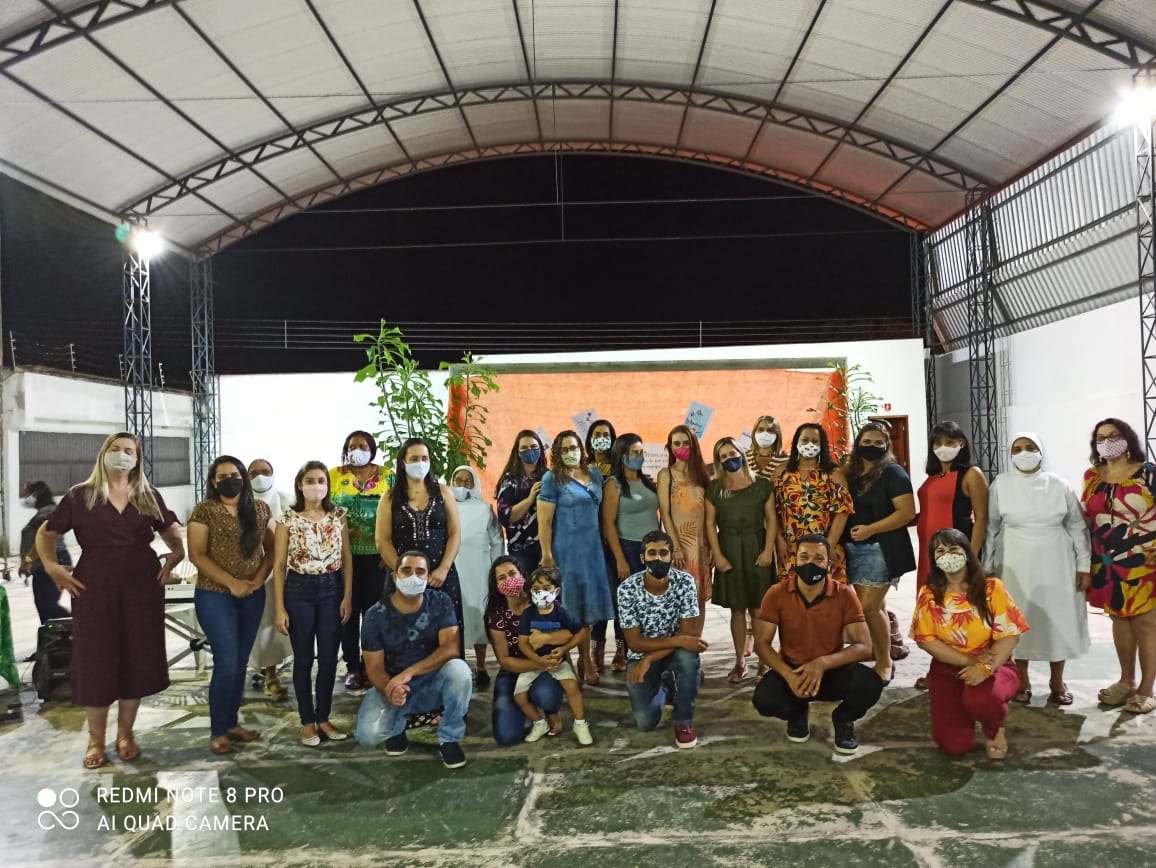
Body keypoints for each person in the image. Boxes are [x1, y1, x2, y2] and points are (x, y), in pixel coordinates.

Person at [37, 432, 183, 769]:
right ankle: (95, 740)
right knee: (96, 661)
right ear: (103, 454)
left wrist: (176, 554)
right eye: (115, 449)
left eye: (128, 450)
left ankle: (126, 734)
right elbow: (47, 533)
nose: (122, 454)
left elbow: (171, 531)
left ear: (137, 458)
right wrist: (52, 566)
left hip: (141, 585)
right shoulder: (81, 495)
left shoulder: (147, 495)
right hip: (94, 585)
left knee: (136, 658)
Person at [752, 534, 883, 754]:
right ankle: (797, 712)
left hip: (832, 670)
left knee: (870, 684)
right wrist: (789, 675)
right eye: (804, 557)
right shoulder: (776, 593)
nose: (810, 563)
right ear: (795, 560)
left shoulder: (844, 594)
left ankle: (843, 719)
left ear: (829, 564)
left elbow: (864, 646)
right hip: (794, 670)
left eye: (818, 558)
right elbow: (762, 644)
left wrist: (822, 663)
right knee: (765, 700)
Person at [985, 433, 1090, 705]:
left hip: (1057, 560)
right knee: (1018, 619)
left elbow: (1077, 526)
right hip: (1013, 560)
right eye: (1017, 449)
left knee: (1057, 620)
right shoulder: (1001, 484)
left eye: (1030, 447)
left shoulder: (1059, 484)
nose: (1024, 453)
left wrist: (1084, 565)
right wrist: (987, 567)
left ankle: (1057, 681)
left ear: (1041, 452)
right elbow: (991, 528)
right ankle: (1022, 680)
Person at [912, 528, 1028, 759]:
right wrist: (970, 661)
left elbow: (1010, 635)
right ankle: (964, 716)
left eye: (953, 549)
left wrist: (983, 668)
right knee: (955, 746)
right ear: (934, 559)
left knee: (983, 702)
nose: (948, 555)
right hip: (947, 669)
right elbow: (926, 640)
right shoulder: (929, 594)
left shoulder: (992, 588)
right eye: (940, 551)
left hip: (994, 664)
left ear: (967, 552)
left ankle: (994, 727)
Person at [188, 455, 275, 755]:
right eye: (222, 477)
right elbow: (197, 555)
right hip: (214, 594)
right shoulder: (205, 510)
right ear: (214, 482)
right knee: (226, 661)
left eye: (235, 475)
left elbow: (272, 550)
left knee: (240, 661)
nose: (230, 481)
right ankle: (218, 730)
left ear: (244, 478)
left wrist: (258, 581)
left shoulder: (259, 509)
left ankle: (231, 723)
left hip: (252, 595)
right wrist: (232, 583)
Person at [355, 550, 473, 769]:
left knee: (459, 671)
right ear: (395, 576)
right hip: (394, 686)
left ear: (428, 577)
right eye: (406, 571)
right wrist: (391, 689)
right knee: (368, 735)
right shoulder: (375, 615)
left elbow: (451, 648)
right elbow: (374, 668)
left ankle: (449, 738)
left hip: (432, 682)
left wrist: (408, 673)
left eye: (420, 572)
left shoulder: (440, 602)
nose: (413, 577)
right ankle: (398, 727)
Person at [273, 461, 353, 746]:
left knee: (329, 658)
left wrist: (347, 596)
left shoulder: (338, 516)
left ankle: (323, 717)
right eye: (310, 480)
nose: (316, 485)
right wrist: (280, 608)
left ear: (327, 486)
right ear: (300, 484)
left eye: (321, 480)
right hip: (298, 592)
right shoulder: (286, 520)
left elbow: (346, 558)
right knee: (304, 659)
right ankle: (307, 721)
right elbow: (279, 565)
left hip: (332, 590)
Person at [1081, 418, 1156, 714]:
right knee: (1119, 620)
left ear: (1127, 440)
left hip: (1145, 561)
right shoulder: (1092, 476)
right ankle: (1126, 680)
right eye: (1100, 438)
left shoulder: (1148, 474)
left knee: (1146, 623)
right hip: (1107, 562)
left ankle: (1147, 688)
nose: (1107, 442)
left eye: (1113, 436)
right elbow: (1087, 516)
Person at [913, 422, 988, 689]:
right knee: (935, 612)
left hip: (955, 556)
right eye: (937, 443)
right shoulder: (934, 476)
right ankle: (941, 669)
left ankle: (968, 666)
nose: (942, 447)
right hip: (929, 555)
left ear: (961, 443)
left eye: (949, 442)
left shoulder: (971, 474)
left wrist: (972, 557)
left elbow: (982, 518)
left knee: (958, 611)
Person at [841, 422, 916, 684]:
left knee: (869, 608)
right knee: (877, 606)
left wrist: (870, 529)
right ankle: (880, 651)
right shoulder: (852, 472)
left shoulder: (893, 473)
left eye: (878, 443)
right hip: (853, 548)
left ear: (886, 446)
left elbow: (906, 513)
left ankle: (884, 662)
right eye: (867, 442)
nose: (872, 447)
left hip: (880, 548)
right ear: (858, 444)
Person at [618, 530, 706, 749]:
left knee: (689, 658)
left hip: (671, 653)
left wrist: (650, 658)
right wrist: (648, 657)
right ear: (642, 557)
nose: (658, 558)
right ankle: (666, 686)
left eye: (663, 553)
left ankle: (683, 720)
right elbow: (635, 643)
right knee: (646, 723)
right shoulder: (627, 589)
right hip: (641, 654)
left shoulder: (685, 582)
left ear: (671, 556)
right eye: (652, 553)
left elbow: (689, 637)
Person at [538, 430, 614, 683]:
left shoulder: (595, 475)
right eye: (565, 449)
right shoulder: (552, 479)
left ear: (582, 449)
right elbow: (544, 521)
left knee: (587, 609)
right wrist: (546, 555)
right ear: (557, 453)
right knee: (568, 610)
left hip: (592, 552)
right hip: (565, 552)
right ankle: (567, 662)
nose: (570, 453)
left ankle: (586, 659)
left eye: (574, 448)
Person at [376, 438, 464, 658]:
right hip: (402, 578)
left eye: (424, 458)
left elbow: (455, 533)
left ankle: (447, 676)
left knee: (445, 635)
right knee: (402, 635)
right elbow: (382, 540)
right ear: (403, 463)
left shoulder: (443, 492)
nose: (420, 463)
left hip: (441, 576)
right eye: (414, 458)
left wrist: (443, 568)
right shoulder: (389, 497)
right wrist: (402, 573)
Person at [705, 436, 777, 684]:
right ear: (718, 461)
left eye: (732, 454)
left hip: (757, 546)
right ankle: (739, 661)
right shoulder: (715, 488)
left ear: (741, 454)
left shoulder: (762, 485)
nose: (729, 459)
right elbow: (709, 524)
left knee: (759, 608)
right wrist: (717, 554)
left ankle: (764, 661)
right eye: (723, 456)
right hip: (730, 548)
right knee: (737, 608)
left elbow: (771, 520)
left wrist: (768, 550)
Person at [329, 430, 391, 695]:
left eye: (363, 446)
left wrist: (390, 553)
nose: (358, 450)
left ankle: (371, 665)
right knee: (348, 614)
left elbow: (397, 512)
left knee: (375, 614)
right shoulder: (334, 475)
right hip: (344, 559)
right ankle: (353, 667)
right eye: (352, 446)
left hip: (378, 559)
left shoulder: (388, 476)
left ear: (372, 449)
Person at [485, 555, 565, 745]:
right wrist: (538, 663)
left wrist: (550, 647)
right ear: (496, 586)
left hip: (547, 668)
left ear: (523, 575)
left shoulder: (542, 599)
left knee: (546, 695)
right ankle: (534, 716)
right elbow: (505, 660)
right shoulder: (495, 615)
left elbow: (568, 632)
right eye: (502, 578)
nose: (509, 580)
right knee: (506, 737)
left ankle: (550, 710)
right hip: (514, 671)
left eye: (512, 573)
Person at [598, 433, 660, 675]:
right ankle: (622, 648)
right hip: (628, 549)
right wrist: (620, 559)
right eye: (635, 452)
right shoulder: (613, 484)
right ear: (622, 456)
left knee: (650, 601)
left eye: (641, 452)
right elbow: (609, 524)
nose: (640, 456)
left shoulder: (647, 482)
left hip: (652, 551)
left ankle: (648, 647)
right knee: (627, 603)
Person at [515, 567, 593, 745]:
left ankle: (580, 723)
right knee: (519, 696)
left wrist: (564, 649)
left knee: (572, 687)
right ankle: (539, 723)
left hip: (558, 662)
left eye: (546, 588)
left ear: (556, 591)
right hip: (534, 662)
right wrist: (538, 661)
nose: (540, 593)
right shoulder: (528, 614)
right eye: (536, 589)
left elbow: (581, 632)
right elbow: (523, 643)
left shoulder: (561, 612)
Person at [772, 424, 853, 584]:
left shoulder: (833, 474)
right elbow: (771, 511)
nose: (810, 444)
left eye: (815, 441)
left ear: (822, 445)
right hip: (791, 550)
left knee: (829, 595)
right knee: (791, 595)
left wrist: (828, 545)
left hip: (824, 548)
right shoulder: (781, 473)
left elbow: (842, 512)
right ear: (796, 442)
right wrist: (779, 540)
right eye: (805, 440)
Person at [449, 464, 504, 686]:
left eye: (467, 481)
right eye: (458, 480)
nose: (462, 485)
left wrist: (496, 571)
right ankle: (458, 664)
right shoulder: (445, 506)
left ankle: (481, 666)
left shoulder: (484, 508)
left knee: (479, 616)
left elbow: (497, 540)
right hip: (453, 567)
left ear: (475, 484)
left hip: (480, 569)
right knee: (456, 616)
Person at [657, 425, 712, 637]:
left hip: (701, 547)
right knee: (679, 599)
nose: (681, 447)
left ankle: (695, 644)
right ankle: (680, 646)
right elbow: (665, 513)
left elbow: (709, 516)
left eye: (686, 443)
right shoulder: (666, 475)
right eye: (676, 443)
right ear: (670, 448)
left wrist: (711, 547)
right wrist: (676, 547)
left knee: (699, 600)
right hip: (679, 545)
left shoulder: (702, 475)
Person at [247, 458, 294, 701]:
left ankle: (272, 673)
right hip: (246, 575)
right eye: (253, 473)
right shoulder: (239, 501)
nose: (260, 477)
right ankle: (255, 673)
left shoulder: (287, 500)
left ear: (273, 474)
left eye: (265, 471)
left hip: (280, 574)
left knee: (272, 627)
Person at [496, 429, 548, 575]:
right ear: (517, 452)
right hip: (520, 549)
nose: (529, 451)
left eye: (533, 447)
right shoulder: (509, 480)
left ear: (540, 449)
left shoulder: (548, 476)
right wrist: (530, 499)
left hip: (546, 547)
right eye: (524, 448)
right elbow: (505, 517)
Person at [18, 481, 70, 624]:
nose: (23, 498)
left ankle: (66, 632)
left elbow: (44, 540)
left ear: (35, 494)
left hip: (48, 565)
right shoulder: (49, 512)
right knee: (49, 608)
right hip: (47, 564)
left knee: (50, 610)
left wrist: (27, 561)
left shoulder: (47, 514)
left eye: (26, 494)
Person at [746, 415, 789, 482]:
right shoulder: (744, 457)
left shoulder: (786, 459)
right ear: (754, 432)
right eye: (761, 429)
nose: (765, 434)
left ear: (777, 435)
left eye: (770, 430)